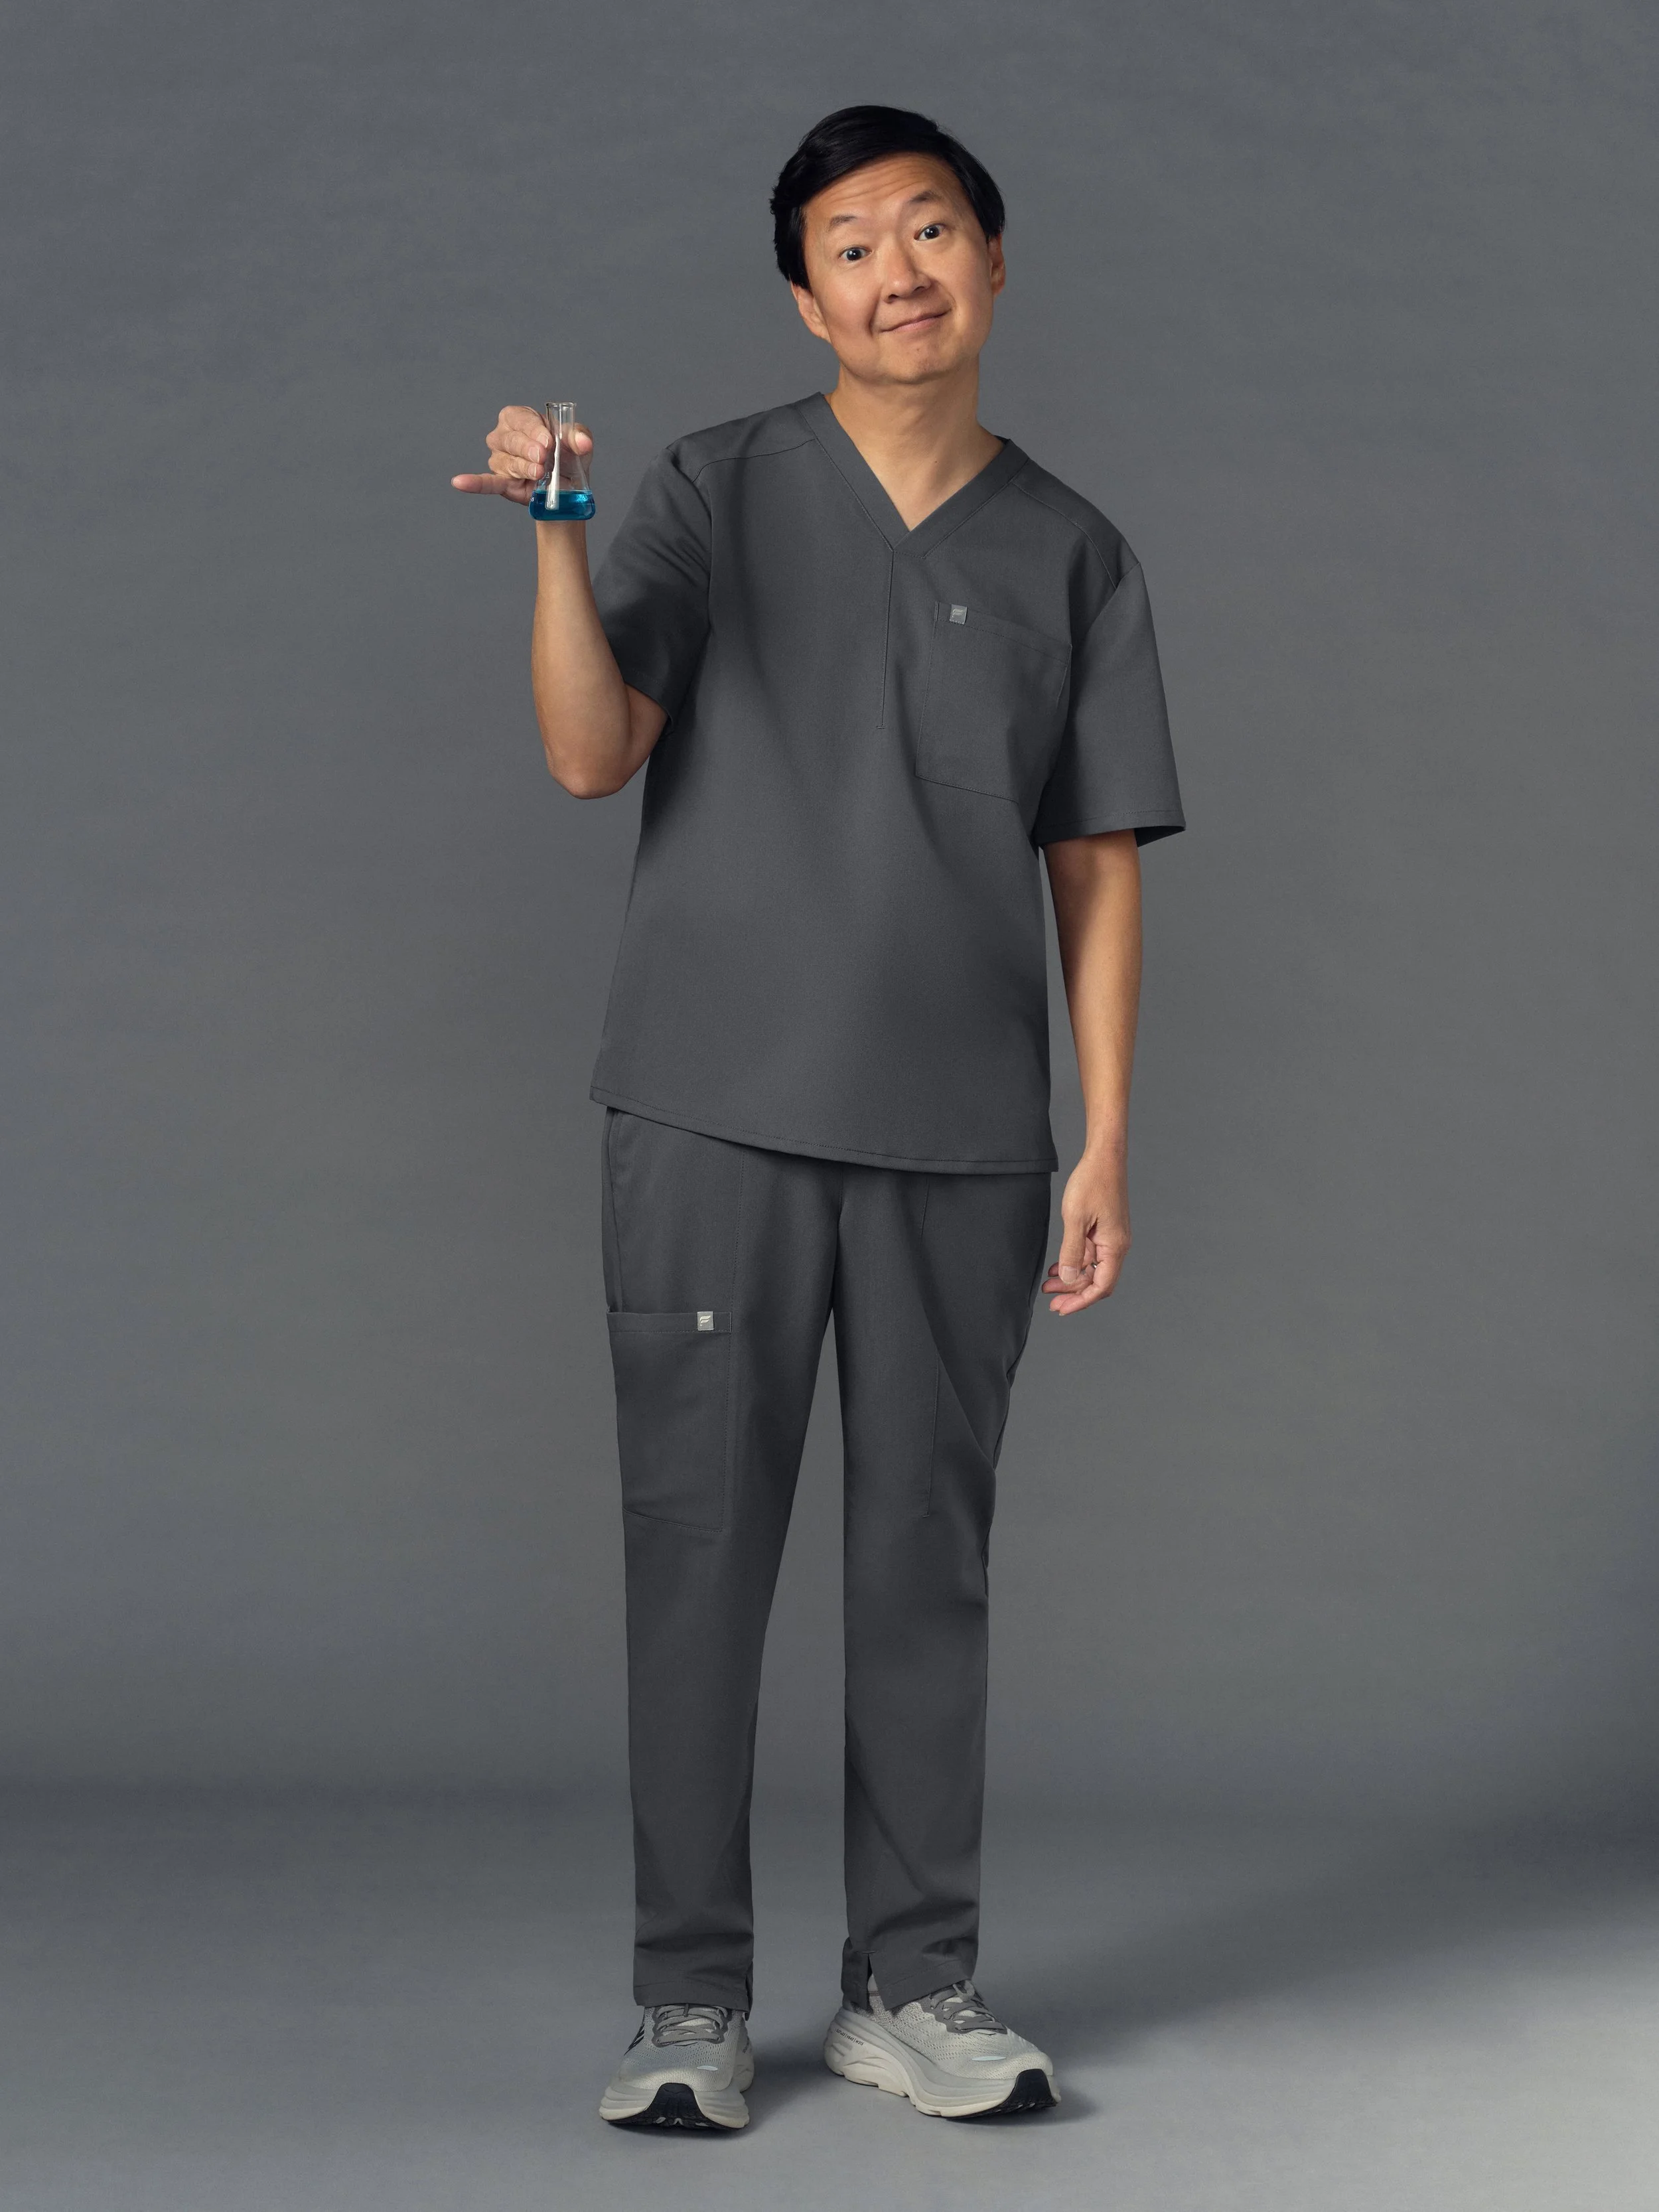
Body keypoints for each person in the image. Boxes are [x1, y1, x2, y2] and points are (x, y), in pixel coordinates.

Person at [451, 103, 1185, 2132]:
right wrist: (554, 533)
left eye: (929, 229)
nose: (895, 270)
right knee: (695, 1551)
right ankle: (685, 1999)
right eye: (849, 245)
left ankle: (912, 1982)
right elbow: (590, 752)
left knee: (926, 1559)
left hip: (963, 1134)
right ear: (804, 299)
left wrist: (1104, 1134)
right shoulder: (714, 487)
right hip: (709, 1109)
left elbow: (1097, 860)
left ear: (993, 262)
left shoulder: (1071, 553)